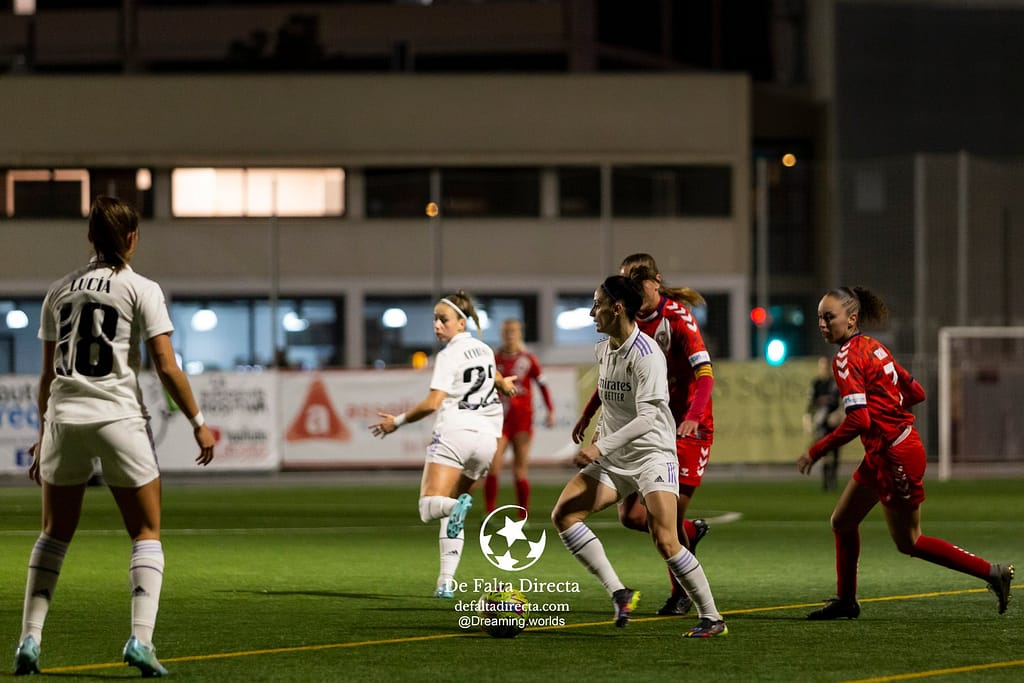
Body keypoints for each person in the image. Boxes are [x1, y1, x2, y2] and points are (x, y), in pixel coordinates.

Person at [14, 196, 216, 678]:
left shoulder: (58, 291)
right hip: (118, 417)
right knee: (146, 532)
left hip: (64, 416)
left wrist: (43, 435)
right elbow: (167, 366)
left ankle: (29, 640)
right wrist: (197, 421)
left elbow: (46, 377)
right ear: (131, 239)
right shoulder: (141, 288)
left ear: (89, 237)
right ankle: (140, 641)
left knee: (53, 533)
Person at [797, 285, 1014, 620]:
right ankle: (846, 601)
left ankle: (992, 572)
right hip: (887, 450)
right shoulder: (874, 347)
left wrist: (817, 449)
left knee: (910, 541)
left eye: (830, 318)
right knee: (842, 521)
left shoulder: (846, 358)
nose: (823, 325)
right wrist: (889, 412)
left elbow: (858, 419)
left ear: (852, 319)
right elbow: (916, 391)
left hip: (894, 456)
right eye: (820, 319)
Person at [552, 275, 727, 638]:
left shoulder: (648, 356)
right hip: (614, 457)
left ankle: (712, 618)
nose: (591, 311)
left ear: (617, 307)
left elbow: (648, 418)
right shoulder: (604, 349)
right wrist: (593, 425)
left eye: (597, 303)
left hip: (653, 454)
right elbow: (612, 401)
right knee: (564, 515)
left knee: (666, 539)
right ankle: (619, 591)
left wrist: (599, 446)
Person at [370, 290, 517, 599]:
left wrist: (395, 422)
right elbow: (495, 378)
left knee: (429, 507)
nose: (437, 325)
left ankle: (454, 506)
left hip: (456, 433)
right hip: (487, 442)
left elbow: (433, 403)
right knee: (453, 513)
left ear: (461, 323)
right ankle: (446, 582)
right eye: (435, 319)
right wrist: (503, 383)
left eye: (443, 319)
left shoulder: (448, 354)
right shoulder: (484, 349)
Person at [484, 319, 555, 517]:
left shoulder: (528, 359)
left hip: (522, 421)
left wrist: (550, 410)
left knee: (520, 470)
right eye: (506, 331)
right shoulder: (494, 360)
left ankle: (522, 515)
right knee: (493, 466)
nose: (510, 334)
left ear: (519, 333)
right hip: (499, 421)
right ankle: (489, 512)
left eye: (513, 331)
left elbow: (542, 385)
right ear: (501, 333)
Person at [805, 356, 843, 491]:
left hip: (834, 422)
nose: (824, 369)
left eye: (826, 367)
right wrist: (808, 418)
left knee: (836, 452)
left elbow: (842, 401)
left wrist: (839, 413)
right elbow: (810, 402)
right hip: (821, 423)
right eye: (822, 366)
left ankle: (833, 479)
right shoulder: (816, 384)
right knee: (824, 451)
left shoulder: (835, 383)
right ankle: (826, 481)